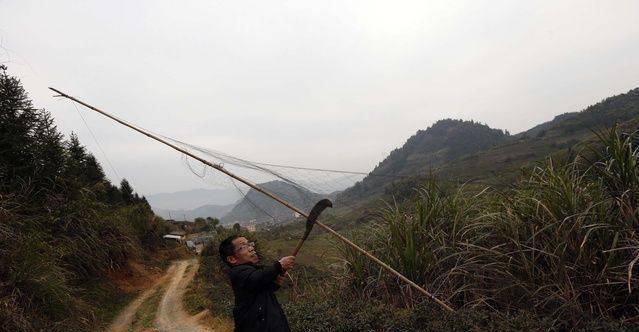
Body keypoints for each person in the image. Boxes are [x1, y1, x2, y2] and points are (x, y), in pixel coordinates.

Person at [219, 234, 295, 332]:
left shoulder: (252, 271)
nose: (251, 248)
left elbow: (260, 289)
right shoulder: (237, 273)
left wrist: (275, 283)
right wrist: (280, 265)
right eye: (243, 247)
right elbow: (256, 278)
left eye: (249, 244)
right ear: (232, 259)